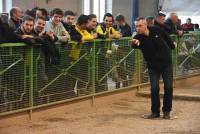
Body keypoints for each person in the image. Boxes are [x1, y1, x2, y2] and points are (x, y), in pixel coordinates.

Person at [132, 17, 175, 119]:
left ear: (146, 25)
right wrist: (135, 43)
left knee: (168, 88)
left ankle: (166, 112)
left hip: (166, 64)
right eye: (136, 26)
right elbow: (134, 44)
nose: (138, 28)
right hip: (153, 67)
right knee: (154, 88)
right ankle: (155, 112)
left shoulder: (156, 30)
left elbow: (166, 37)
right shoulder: (138, 37)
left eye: (140, 26)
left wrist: (172, 46)